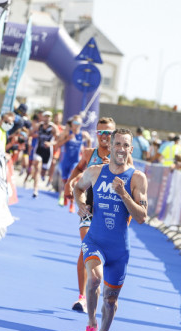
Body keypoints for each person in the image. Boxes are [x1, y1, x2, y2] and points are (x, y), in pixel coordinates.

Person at [73, 128, 148, 331]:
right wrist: (80, 204)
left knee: (111, 301)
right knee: (94, 279)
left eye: (126, 145)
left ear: (130, 149)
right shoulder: (96, 172)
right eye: (117, 144)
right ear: (111, 146)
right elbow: (77, 187)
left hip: (119, 249)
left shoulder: (137, 178)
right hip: (95, 240)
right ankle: (91, 325)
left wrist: (124, 194)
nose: (121, 149)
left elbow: (142, 217)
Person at [64, 117, 117, 313]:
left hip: (110, 212)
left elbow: (130, 181)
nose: (104, 136)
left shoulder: (121, 156)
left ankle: (98, 290)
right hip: (89, 207)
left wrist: (114, 170)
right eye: (100, 132)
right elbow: (79, 168)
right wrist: (68, 184)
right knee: (86, 247)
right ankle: (82, 297)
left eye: (108, 133)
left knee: (102, 255)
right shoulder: (89, 153)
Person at [56, 115, 91, 210]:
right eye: (75, 123)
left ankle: (72, 203)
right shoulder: (66, 133)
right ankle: (63, 197)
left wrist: (88, 150)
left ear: (81, 124)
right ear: (71, 124)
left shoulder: (83, 134)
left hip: (76, 162)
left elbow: (89, 141)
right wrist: (67, 139)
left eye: (79, 123)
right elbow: (57, 145)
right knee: (64, 181)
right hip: (66, 161)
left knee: (73, 180)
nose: (76, 125)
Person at [31, 111, 58, 197]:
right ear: (43, 117)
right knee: (37, 168)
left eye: (49, 117)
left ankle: (43, 174)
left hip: (47, 152)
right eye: (45, 116)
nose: (47, 118)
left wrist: (51, 143)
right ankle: (35, 190)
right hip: (39, 149)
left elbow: (58, 139)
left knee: (43, 171)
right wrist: (33, 135)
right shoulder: (39, 126)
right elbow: (31, 132)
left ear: (51, 118)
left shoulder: (53, 127)